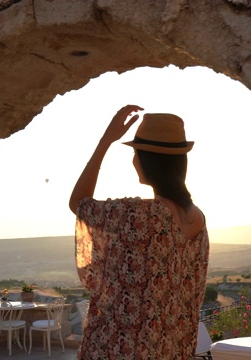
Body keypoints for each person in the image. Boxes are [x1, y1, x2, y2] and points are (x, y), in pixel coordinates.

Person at [69, 105, 210, 359]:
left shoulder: (138, 215)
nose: (133, 160)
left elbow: (79, 202)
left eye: (135, 152)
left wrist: (105, 141)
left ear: (147, 160)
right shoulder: (197, 218)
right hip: (171, 351)